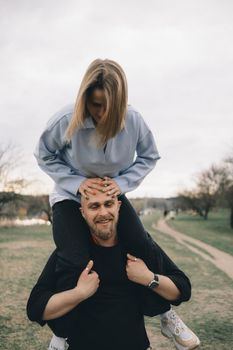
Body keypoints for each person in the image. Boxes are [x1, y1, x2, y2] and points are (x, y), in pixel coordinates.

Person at [33, 58, 200, 349]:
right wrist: (76, 183)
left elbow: (149, 157)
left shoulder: (134, 121)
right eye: (94, 104)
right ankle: (61, 336)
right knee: (74, 260)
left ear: (121, 101)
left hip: (111, 194)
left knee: (140, 246)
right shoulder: (66, 120)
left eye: (106, 105)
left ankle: (165, 314)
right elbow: (44, 154)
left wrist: (120, 185)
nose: (100, 112)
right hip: (70, 196)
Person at [27, 190, 199, 350]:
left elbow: (182, 290)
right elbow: (35, 308)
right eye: (94, 206)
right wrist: (79, 293)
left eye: (108, 204)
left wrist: (149, 278)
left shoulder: (138, 247)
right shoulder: (72, 253)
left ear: (118, 206)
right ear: (82, 212)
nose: (103, 213)